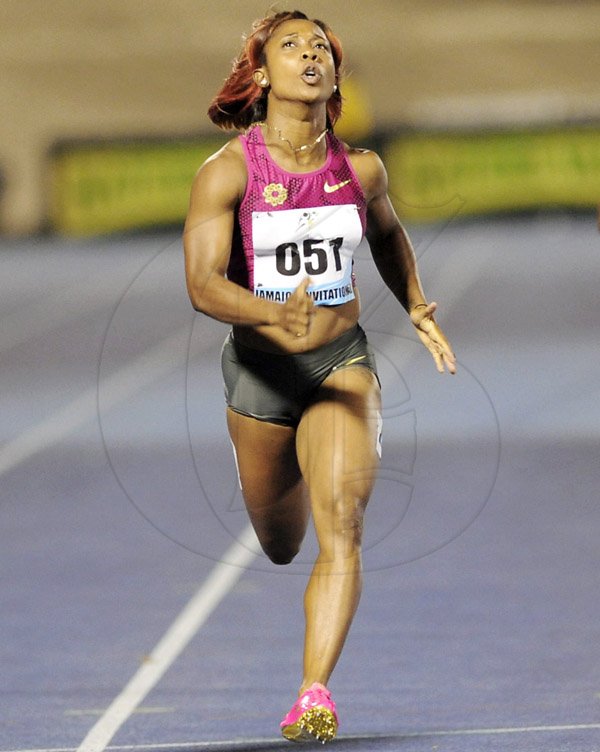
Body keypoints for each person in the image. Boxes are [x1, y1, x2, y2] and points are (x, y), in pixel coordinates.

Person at [183, 9, 456, 744]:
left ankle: (313, 695)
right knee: (281, 541)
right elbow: (203, 285)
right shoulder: (229, 173)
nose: (309, 54)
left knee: (344, 523)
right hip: (261, 377)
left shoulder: (361, 169)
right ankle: (278, 482)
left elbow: (390, 233)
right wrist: (268, 311)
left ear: (334, 75)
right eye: (289, 46)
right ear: (262, 73)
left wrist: (419, 306)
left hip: (341, 366)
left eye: (320, 48)